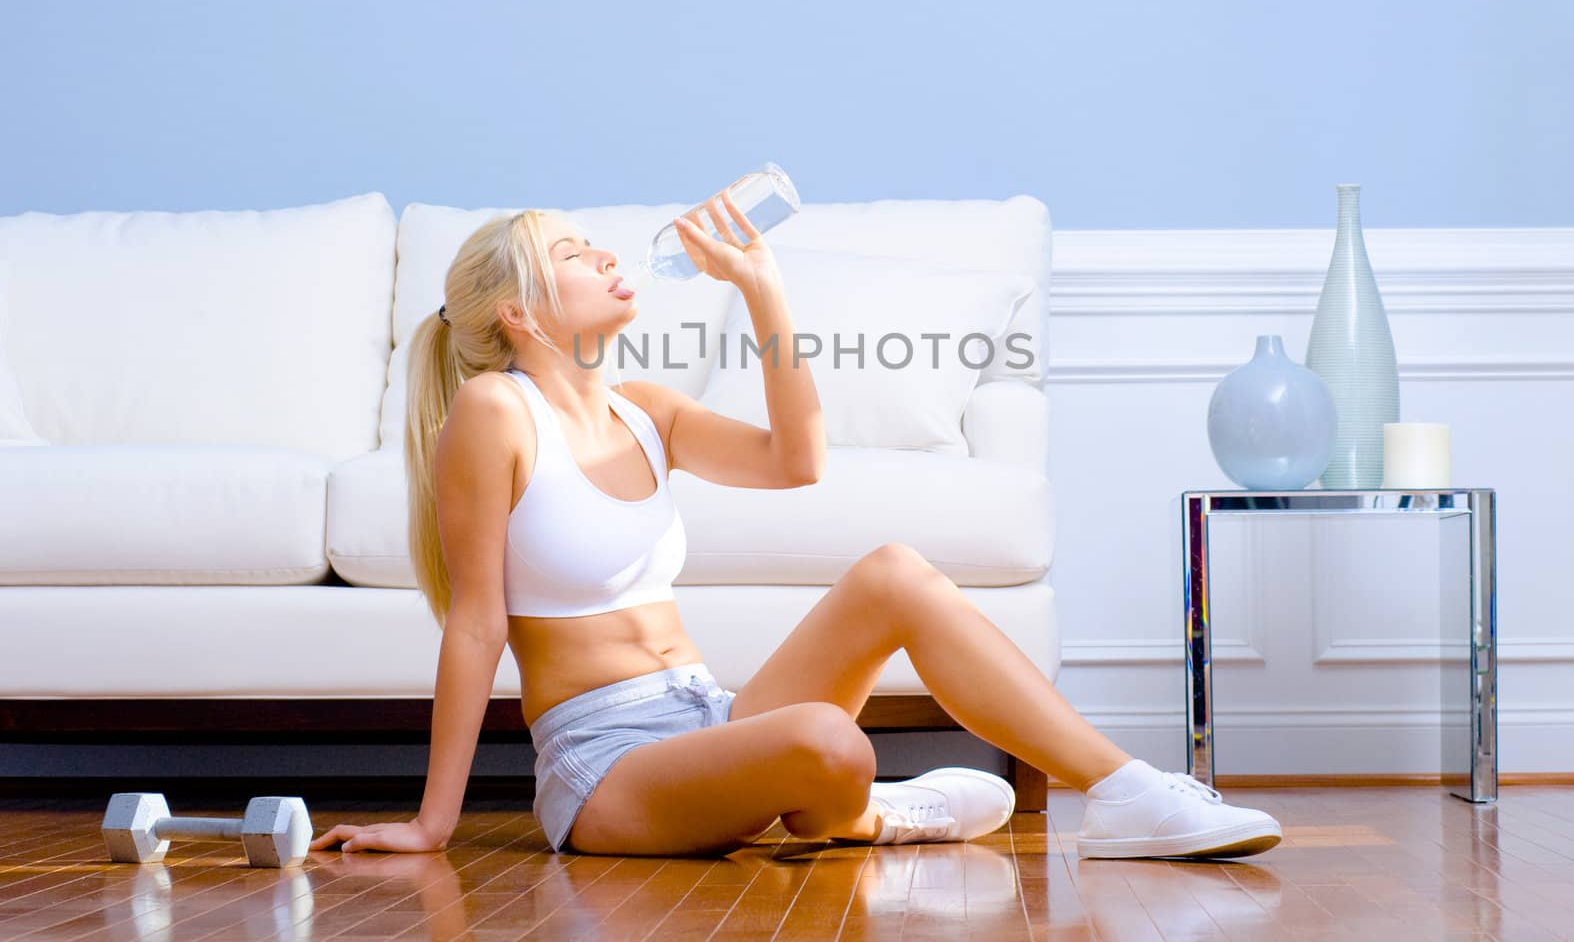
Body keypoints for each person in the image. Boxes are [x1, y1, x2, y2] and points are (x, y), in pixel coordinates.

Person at [309, 187, 1282, 860]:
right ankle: (861, 816)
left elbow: (796, 459)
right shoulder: (494, 413)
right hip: (606, 770)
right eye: (572, 253)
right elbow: (477, 624)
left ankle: (1120, 792)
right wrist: (432, 825)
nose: (606, 255)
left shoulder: (645, 408)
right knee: (827, 738)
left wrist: (762, 288)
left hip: (708, 716)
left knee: (894, 572)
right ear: (518, 313)